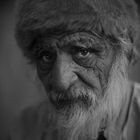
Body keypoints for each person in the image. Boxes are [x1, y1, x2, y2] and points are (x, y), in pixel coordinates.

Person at [10, 0, 140, 140]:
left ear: (126, 55)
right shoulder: (24, 127)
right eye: (46, 56)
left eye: (83, 52)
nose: (61, 82)